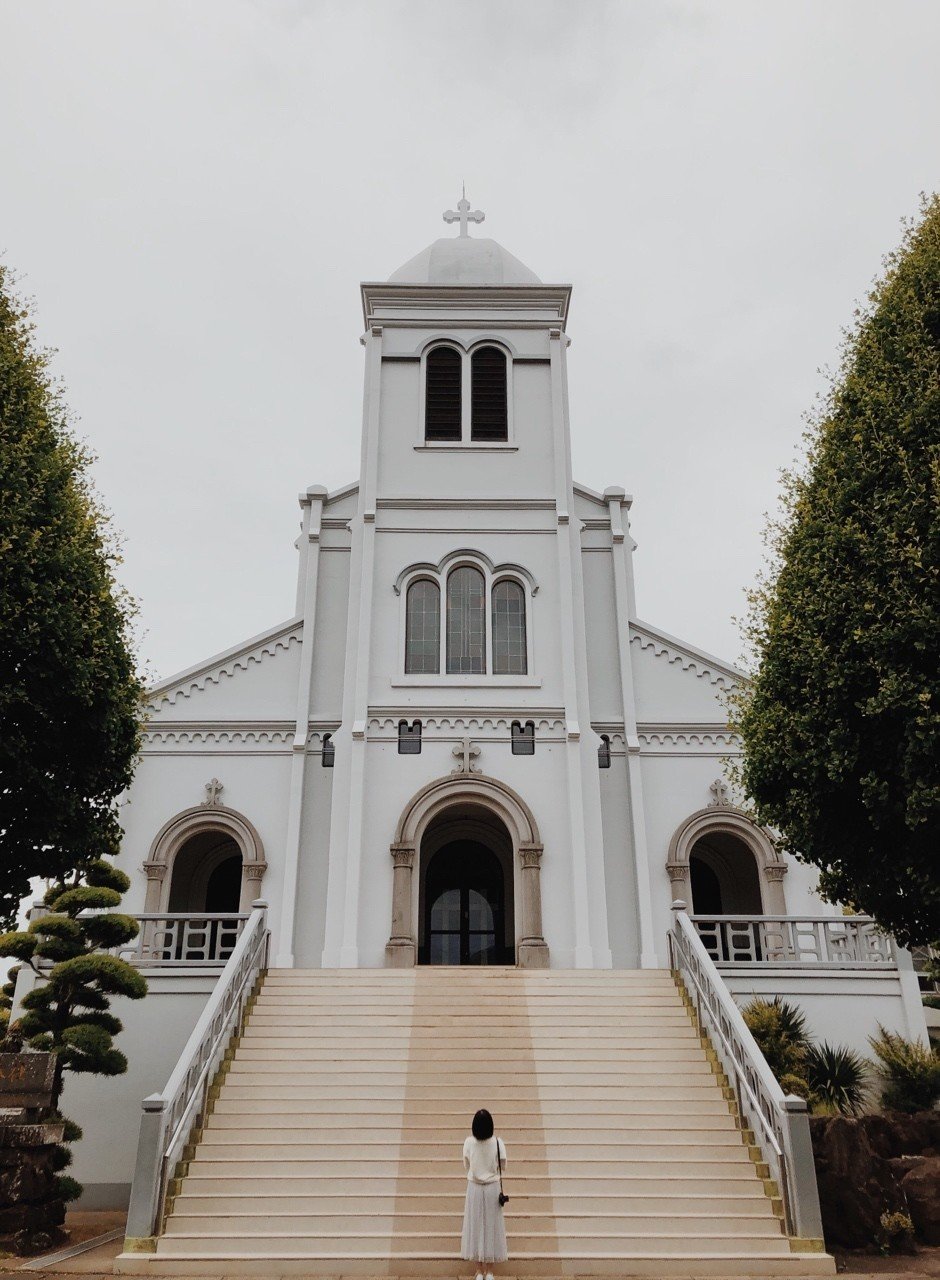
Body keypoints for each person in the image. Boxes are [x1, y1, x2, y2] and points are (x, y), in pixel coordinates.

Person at [461, 1108, 508, 1280]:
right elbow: (503, 1166)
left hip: (474, 1187)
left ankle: (478, 1270)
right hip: (492, 1188)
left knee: (475, 1226)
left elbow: (466, 1165)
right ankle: (489, 1271)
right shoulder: (497, 1142)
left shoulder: (468, 1143)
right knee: (491, 1227)